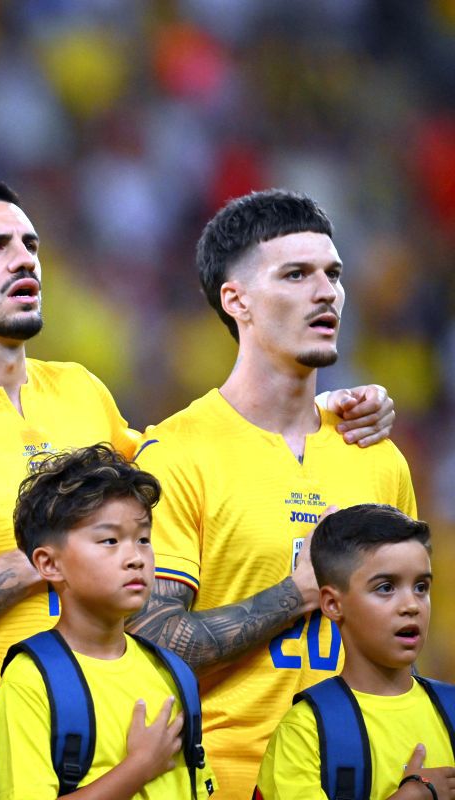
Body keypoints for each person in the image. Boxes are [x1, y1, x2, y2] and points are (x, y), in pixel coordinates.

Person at [0, 179, 396, 694]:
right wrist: (46, 557)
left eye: (30, 244)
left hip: (108, 726)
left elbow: (200, 454)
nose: (23, 259)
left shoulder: (81, 393)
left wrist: (314, 413)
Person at [128, 189, 418, 799]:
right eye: (296, 275)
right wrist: (298, 592)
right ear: (237, 300)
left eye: (333, 274)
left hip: (371, 778)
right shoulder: (176, 454)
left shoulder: (378, 458)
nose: (326, 292)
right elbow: (148, 643)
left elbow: (401, 645)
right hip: (228, 778)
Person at [0, 445, 215, 799]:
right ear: (49, 564)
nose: (136, 558)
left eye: (143, 539)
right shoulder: (31, 681)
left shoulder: (171, 673)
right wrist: (139, 767)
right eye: (110, 540)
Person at [255, 504, 455, 800]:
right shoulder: (304, 732)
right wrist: (411, 796)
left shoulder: (450, 709)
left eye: (421, 587)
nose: (411, 605)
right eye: (386, 587)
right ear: (333, 604)